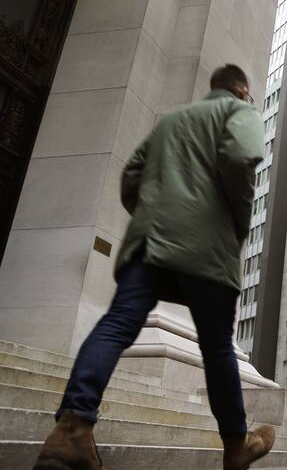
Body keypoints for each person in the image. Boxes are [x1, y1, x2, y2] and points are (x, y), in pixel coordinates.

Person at [31, 64, 273, 470]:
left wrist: (151, 214)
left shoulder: (172, 120)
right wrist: (237, 222)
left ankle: (71, 429)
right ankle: (236, 444)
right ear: (242, 92)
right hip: (208, 248)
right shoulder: (240, 113)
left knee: (116, 324)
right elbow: (238, 158)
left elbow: (130, 177)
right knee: (215, 348)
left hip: (149, 243)